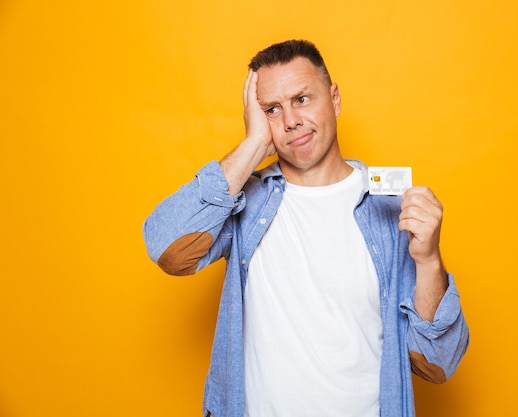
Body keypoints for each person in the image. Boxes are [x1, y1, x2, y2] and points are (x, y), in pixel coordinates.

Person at [143, 39, 469, 417]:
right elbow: (163, 247)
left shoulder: (390, 211)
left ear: (335, 99)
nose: (291, 120)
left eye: (302, 99)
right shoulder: (247, 202)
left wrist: (428, 260)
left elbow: (437, 363)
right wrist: (252, 144)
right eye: (272, 109)